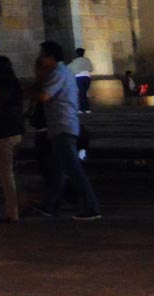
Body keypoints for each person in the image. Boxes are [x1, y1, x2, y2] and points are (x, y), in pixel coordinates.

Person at [31, 39, 102, 221]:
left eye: (42, 55)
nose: (40, 58)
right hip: (60, 127)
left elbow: (44, 96)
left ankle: (92, 207)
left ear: (51, 56)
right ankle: (50, 206)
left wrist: (30, 87)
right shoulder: (60, 72)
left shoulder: (58, 72)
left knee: (73, 169)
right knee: (59, 169)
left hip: (63, 126)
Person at [0, 55, 24, 223]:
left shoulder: (1, 88)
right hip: (15, 132)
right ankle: (16, 206)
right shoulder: (14, 85)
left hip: (3, 134)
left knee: (6, 174)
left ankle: (12, 212)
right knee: (6, 173)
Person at [69, 48, 94, 114]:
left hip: (79, 77)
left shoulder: (75, 61)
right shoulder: (87, 60)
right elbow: (91, 68)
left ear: (77, 53)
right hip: (87, 77)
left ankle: (82, 108)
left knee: (81, 94)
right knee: (84, 93)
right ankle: (86, 108)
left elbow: (70, 69)